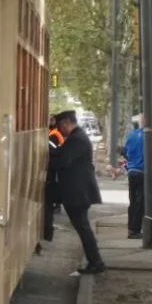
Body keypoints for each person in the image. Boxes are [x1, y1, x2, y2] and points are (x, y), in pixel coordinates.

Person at [49, 110, 105, 274]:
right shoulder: (77, 137)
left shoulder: (77, 139)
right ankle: (95, 262)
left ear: (66, 122)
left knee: (83, 228)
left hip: (78, 192)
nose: (59, 131)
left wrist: (49, 155)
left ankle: (96, 263)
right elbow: (62, 154)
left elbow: (63, 161)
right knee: (82, 228)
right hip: (78, 191)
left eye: (60, 126)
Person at [123, 115, 145, 239]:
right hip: (142, 171)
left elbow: (126, 152)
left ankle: (131, 228)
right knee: (141, 202)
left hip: (132, 171)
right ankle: (135, 229)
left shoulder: (132, 134)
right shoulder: (149, 136)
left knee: (133, 201)